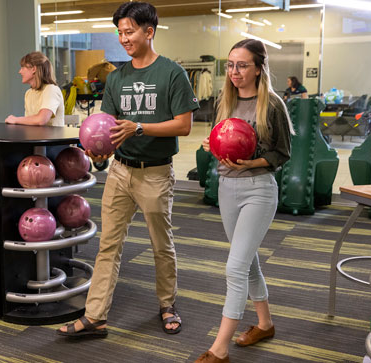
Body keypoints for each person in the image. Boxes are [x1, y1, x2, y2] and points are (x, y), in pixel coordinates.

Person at [56, 1, 198, 338]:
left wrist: (139, 128)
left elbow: (184, 125)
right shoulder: (117, 77)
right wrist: (98, 148)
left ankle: (167, 304)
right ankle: (96, 316)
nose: (123, 38)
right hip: (120, 172)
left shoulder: (171, 73)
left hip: (156, 172)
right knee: (109, 244)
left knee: (160, 244)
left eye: (129, 31)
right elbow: (106, 127)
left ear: (149, 31)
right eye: (120, 32)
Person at [195, 39, 294, 363]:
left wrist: (252, 163)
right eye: (231, 65)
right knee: (247, 262)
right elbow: (219, 138)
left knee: (235, 267)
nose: (235, 72)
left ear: (258, 68)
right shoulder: (226, 99)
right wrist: (215, 149)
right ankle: (265, 324)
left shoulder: (273, 104)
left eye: (242, 65)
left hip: (258, 190)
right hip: (227, 187)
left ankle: (219, 348)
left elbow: (282, 153)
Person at [5, 51, 64, 127]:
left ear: (33, 69)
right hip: (34, 138)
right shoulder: (29, 93)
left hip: (51, 138)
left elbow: (41, 119)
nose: (20, 71)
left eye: (23, 67)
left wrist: (15, 119)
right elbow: (30, 123)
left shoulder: (51, 90)